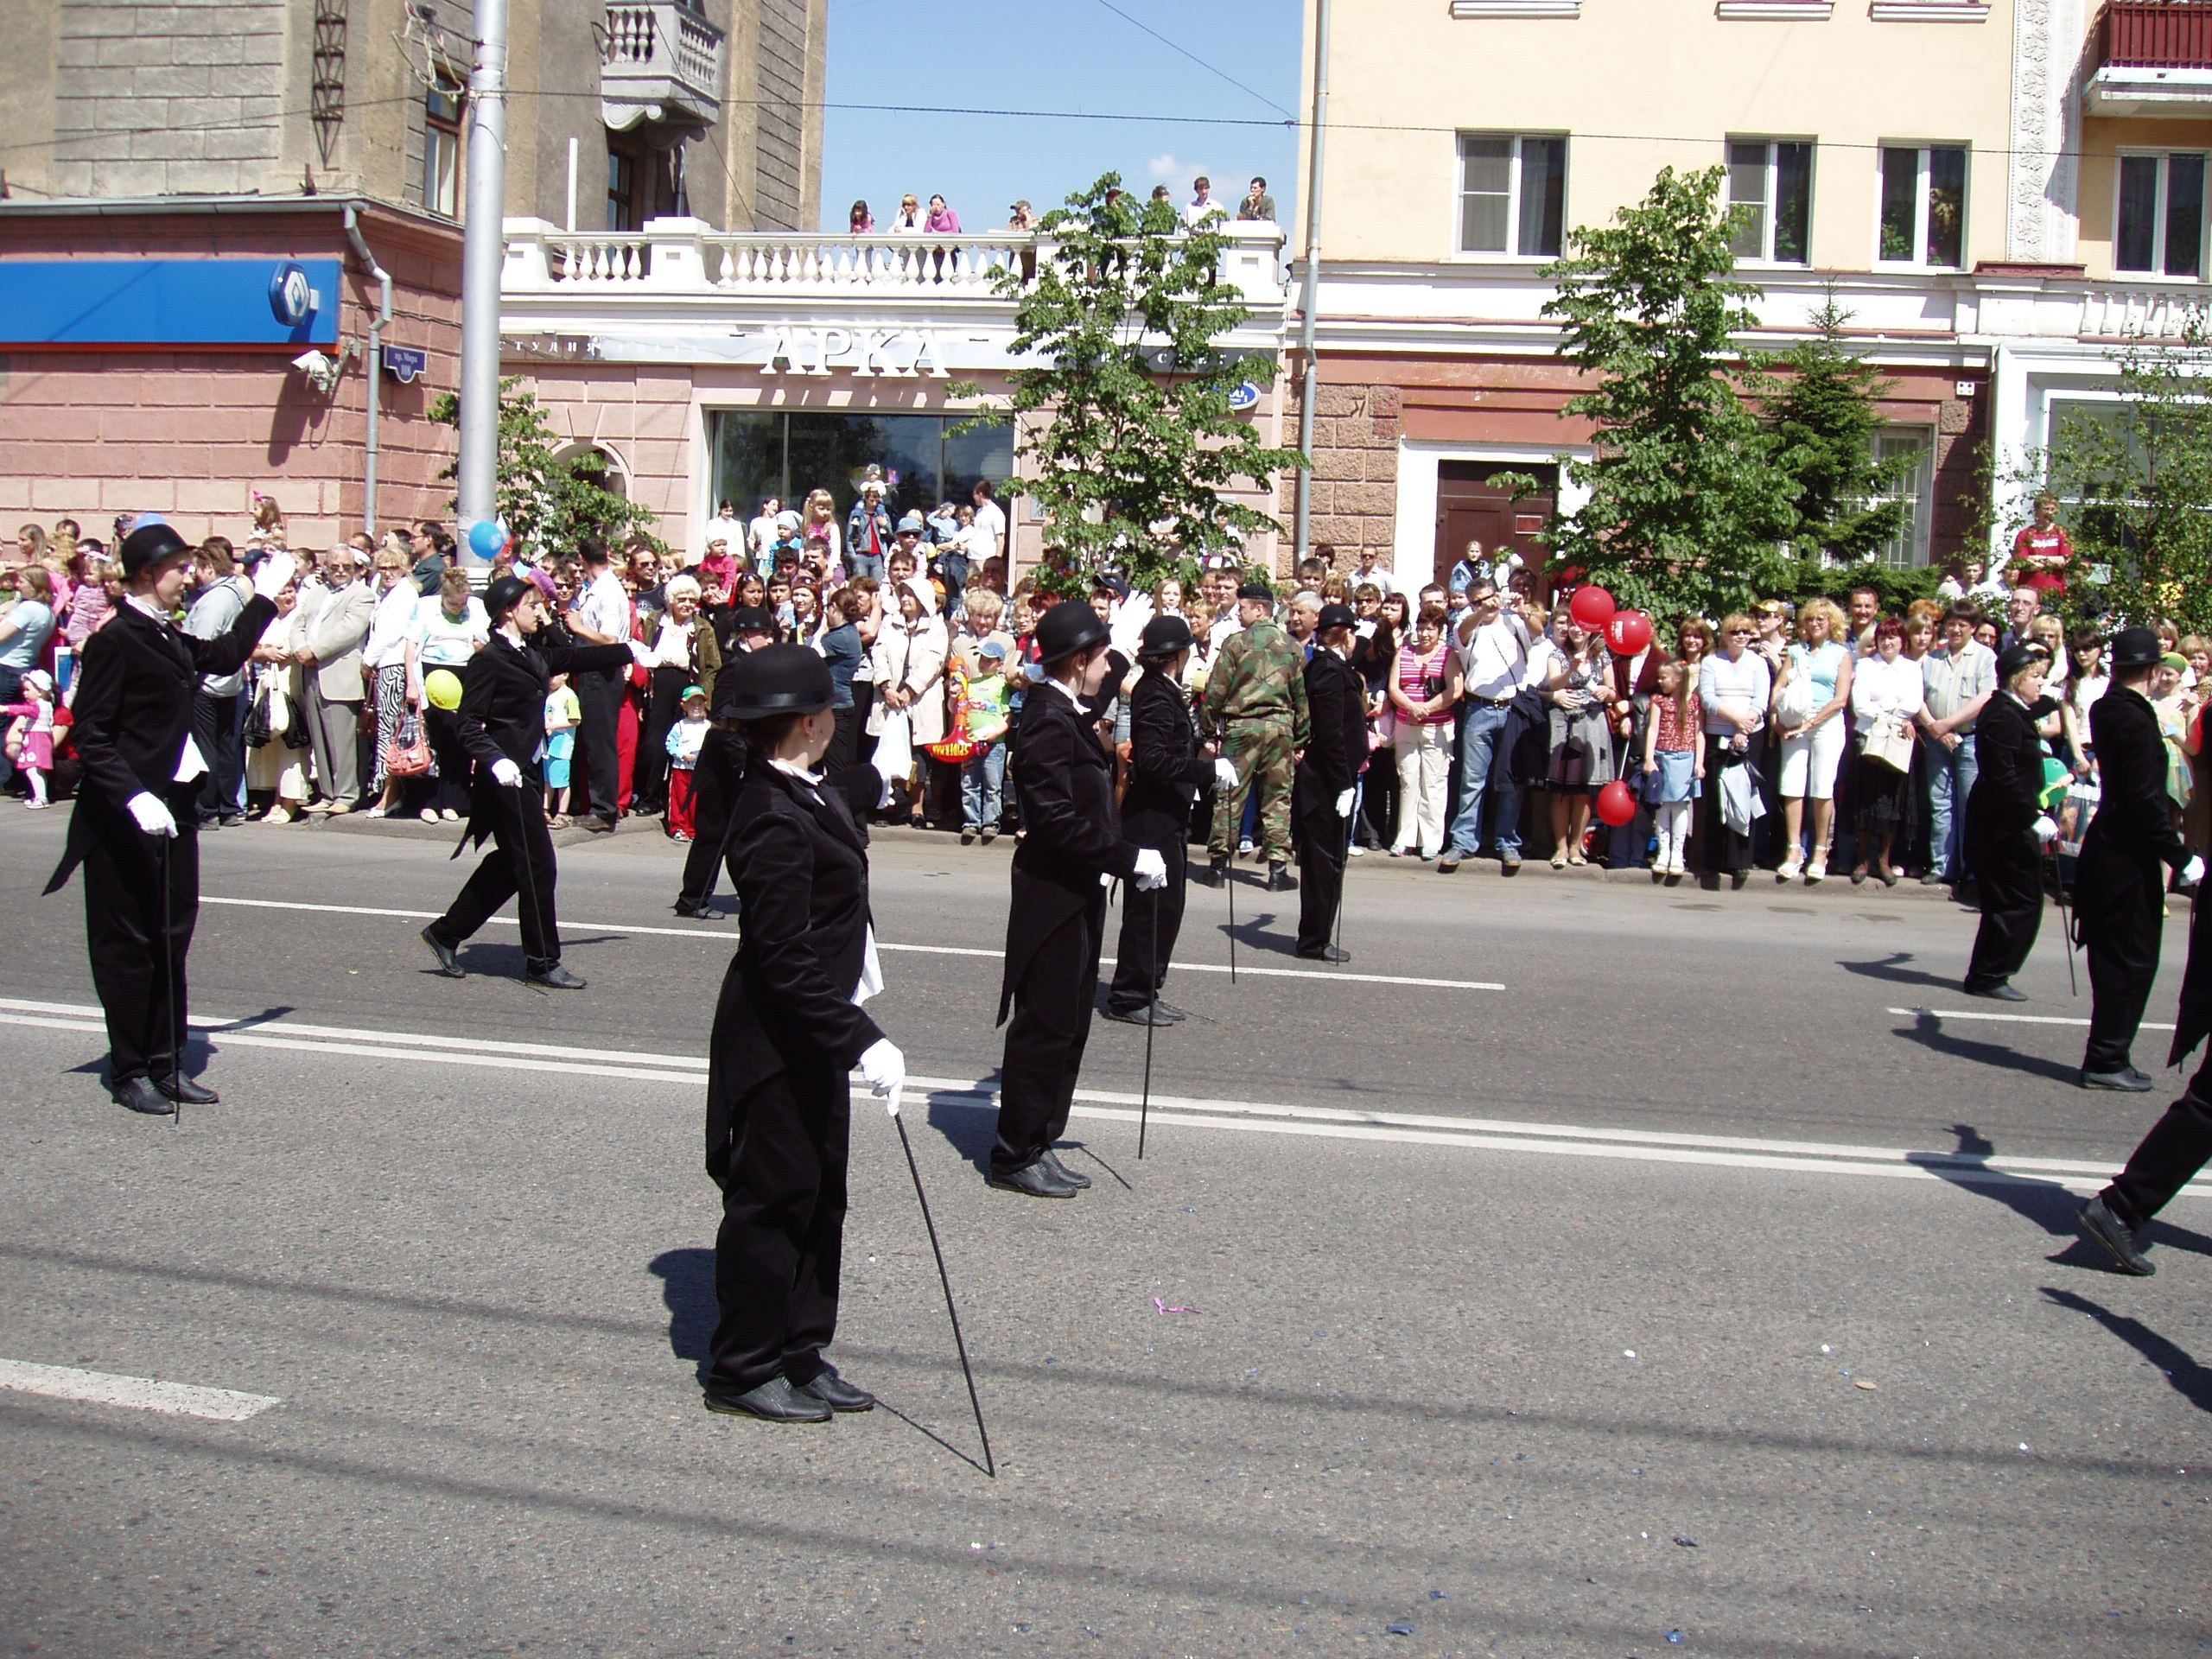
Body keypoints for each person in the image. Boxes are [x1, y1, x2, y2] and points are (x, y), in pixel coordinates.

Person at [701, 643, 906, 1422]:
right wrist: (863, 1039)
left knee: (822, 1197)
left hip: (814, 1032)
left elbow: (849, 791)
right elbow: (782, 960)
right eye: (832, 715)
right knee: (773, 1203)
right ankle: (742, 1367)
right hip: (778, 1040)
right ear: (810, 723)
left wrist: (885, 769)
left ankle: (799, 1350)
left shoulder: (805, 790)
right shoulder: (770, 817)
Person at [42, 524, 289, 1114]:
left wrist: (261, 598)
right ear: (151, 572)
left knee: (171, 935)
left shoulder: (168, 635)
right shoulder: (115, 640)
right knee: (127, 943)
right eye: (181, 567)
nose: (190, 576)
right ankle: (129, 1069)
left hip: (173, 810)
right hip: (124, 816)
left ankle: (166, 1060)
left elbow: (226, 655)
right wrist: (132, 795)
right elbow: (92, 733)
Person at [993, 601, 1168, 1198]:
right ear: (1075, 662)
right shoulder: (1045, 718)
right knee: (1045, 1025)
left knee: (1068, 1024)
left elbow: (1096, 692)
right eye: (1098, 655)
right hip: (1053, 897)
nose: (1107, 667)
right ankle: (1015, 1152)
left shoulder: (1064, 704)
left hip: (1078, 890)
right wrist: (1128, 856)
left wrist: (1115, 640)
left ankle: (1040, 1138)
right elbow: (1054, 821)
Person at [420, 576, 637, 989]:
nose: (541, 611)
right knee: (538, 865)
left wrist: (629, 651)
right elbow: (467, 725)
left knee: (511, 863)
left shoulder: (531, 649)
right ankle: (542, 962)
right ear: (508, 611)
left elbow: (573, 658)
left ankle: (446, 933)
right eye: (532, 605)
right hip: (505, 775)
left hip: (529, 770)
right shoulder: (491, 659)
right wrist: (495, 760)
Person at [2075, 626, 2203, 1090]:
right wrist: (2181, 855)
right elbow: (2144, 801)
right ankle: (2107, 1059)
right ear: (2152, 670)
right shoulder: (2133, 717)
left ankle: (2109, 1054)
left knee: (2118, 957)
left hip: (2112, 847)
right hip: (2127, 855)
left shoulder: (2109, 707)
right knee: (2131, 960)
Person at [1107, 614, 1232, 1024]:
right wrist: (1206, 771)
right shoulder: (1158, 694)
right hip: (1152, 819)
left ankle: (1147, 988)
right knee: (1152, 909)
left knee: (1166, 907)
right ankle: (1129, 995)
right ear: (1179, 654)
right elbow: (1155, 758)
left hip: (1166, 815)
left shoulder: (1159, 688)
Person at [1962, 642, 2060, 1001]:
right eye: (2035, 676)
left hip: (2009, 821)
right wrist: (2030, 816)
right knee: (2015, 901)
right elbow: (2002, 776)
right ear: (2017, 679)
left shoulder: (2012, 710)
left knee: (2018, 899)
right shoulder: (2002, 715)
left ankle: (1991, 971)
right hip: (2001, 826)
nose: (2041, 683)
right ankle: (1989, 975)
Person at [1201, 582, 1308, 891]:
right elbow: (1300, 696)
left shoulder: (1235, 644)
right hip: (1279, 730)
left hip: (1241, 728)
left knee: (1229, 796)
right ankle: (1277, 870)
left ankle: (1218, 867)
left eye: (1243, 607)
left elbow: (1216, 690)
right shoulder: (1291, 646)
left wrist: (1208, 729)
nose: (1239, 613)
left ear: (1259, 608)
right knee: (1277, 798)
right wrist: (1301, 737)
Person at [676, 605, 778, 918]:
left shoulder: (756, 665)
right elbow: (723, 717)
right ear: (745, 634)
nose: (769, 640)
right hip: (726, 762)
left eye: (770, 634)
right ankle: (693, 899)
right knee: (714, 834)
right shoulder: (735, 668)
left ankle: (754, 894)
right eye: (763, 634)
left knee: (746, 834)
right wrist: (742, 760)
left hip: (745, 756)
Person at [1438, 582, 1531, 874]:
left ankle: (1507, 841)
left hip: (1513, 708)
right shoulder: (1469, 627)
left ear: (1497, 595)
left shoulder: (1515, 624)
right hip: (1480, 708)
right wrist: (1480, 613)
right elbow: (1462, 632)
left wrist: (1524, 613)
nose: (1485, 605)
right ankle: (1463, 841)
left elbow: (1540, 632)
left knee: (1510, 781)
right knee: (1472, 781)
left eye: (1488, 599)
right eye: (1477, 602)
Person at [1295, 603, 1365, 961]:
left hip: (1332, 780)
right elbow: (1330, 734)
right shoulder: (1328, 671)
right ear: (1346, 635)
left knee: (1330, 863)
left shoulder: (1334, 668)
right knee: (1324, 865)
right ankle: (1314, 940)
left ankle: (1317, 935)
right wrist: (1343, 784)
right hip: (1325, 784)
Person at [1770, 597, 1853, 882]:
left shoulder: (1841, 654)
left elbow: (1841, 699)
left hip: (1825, 723)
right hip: (1793, 722)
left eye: (1822, 619)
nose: (1815, 623)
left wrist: (1811, 723)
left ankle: (1821, 850)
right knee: (1792, 784)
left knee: (1821, 787)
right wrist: (1776, 721)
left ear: (1832, 623)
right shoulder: (1795, 651)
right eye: (1810, 619)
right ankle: (1794, 850)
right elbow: (1779, 687)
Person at [1917, 603, 1997, 889]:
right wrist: (1935, 728)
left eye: (1963, 624)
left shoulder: (1985, 657)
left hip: (1969, 736)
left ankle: (1971, 868)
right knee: (1940, 802)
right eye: (1952, 623)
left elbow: (1986, 696)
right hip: (1937, 738)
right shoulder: (1932, 659)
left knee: (1969, 803)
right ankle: (1942, 865)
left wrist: (1949, 723)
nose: (1956, 629)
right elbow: (1919, 698)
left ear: (1973, 627)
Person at [1846, 617, 1925, 886]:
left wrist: (1882, 706)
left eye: (1893, 637)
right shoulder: (1867, 665)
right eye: (1882, 637)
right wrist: (1889, 710)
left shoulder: (1912, 669)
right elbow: (1860, 704)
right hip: (1869, 738)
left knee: (1893, 802)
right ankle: (1863, 858)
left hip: (1898, 741)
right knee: (1866, 802)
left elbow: (1913, 704)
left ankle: (1884, 859)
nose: (1887, 642)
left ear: (1903, 641)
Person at [296, 546, 372, 815]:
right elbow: (298, 624)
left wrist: (315, 650)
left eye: (346, 566)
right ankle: (328, 794)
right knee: (320, 737)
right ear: (326, 566)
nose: (341, 570)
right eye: (335, 566)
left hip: (339, 671)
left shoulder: (362, 595)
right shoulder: (316, 593)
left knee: (342, 739)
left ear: (355, 567)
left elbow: (350, 629)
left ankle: (347, 794)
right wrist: (299, 649)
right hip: (311, 671)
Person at [182, 542, 255, 829]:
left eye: (196, 570)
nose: (193, 577)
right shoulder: (236, 592)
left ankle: (208, 807)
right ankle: (229, 807)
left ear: (209, 568)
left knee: (207, 746)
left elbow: (202, 640)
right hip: (230, 680)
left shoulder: (215, 599)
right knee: (226, 745)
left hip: (208, 681)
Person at [1698, 614, 1772, 887]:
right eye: (1735, 632)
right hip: (1719, 733)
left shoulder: (1758, 664)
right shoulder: (1711, 662)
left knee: (1743, 795)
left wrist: (1744, 727)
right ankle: (1712, 861)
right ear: (1726, 635)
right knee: (1718, 798)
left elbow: (1760, 700)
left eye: (1745, 632)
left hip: (1751, 734)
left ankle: (1740, 861)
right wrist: (1735, 721)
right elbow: (1707, 698)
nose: (1741, 636)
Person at [564, 537, 631, 832]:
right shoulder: (594, 589)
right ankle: (596, 803)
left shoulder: (608, 590)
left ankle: (604, 810)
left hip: (603, 672)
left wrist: (579, 627)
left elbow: (610, 639)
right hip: (590, 670)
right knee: (592, 741)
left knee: (601, 742)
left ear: (582, 558)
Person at [1642, 658, 1704, 880]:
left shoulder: (1694, 703)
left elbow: (1699, 733)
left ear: (1678, 679)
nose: (1660, 681)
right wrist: (1649, 758)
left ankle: (1677, 854)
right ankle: (1663, 851)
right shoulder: (1659, 701)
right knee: (1662, 806)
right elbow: (1652, 730)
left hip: (1686, 757)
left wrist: (1699, 762)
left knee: (1680, 807)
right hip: (1664, 756)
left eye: (1664, 677)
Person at [957, 639, 1014, 845]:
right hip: (971, 742)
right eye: (982, 658)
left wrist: (996, 733)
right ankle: (971, 821)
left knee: (992, 784)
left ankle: (991, 822)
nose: (983, 663)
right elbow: (958, 710)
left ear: (1000, 664)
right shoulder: (970, 684)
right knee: (970, 783)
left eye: (989, 660)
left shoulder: (1002, 685)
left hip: (994, 744)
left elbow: (1008, 716)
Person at [2, 668, 57, 809]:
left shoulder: (37, 706)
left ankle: (41, 798)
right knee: (36, 771)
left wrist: (6, 709)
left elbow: (24, 710)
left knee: (33, 770)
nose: (24, 693)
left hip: (37, 741)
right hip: (37, 740)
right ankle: (38, 795)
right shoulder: (46, 705)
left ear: (40, 691)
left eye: (28, 690)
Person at [664, 685, 709, 841]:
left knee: (698, 801)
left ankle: (694, 829)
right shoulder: (680, 726)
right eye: (692, 704)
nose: (696, 708)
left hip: (700, 771)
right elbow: (670, 744)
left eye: (699, 704)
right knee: (680, 800)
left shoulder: (708, 727)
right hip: (681, 770)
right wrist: (682, 755)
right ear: (684, 706)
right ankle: (678, 827)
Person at [2010, 492, 2072, 596]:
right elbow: (2023, 564)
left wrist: (2035, 558)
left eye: (2052, 510)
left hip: (2054, 591)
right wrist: (2051, 562)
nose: (2050, 513)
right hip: (2029, 591)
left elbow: (2064, 561)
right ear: (2037, 511)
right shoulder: (2025, 535)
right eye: (2046, 509)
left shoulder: (2061, 533)